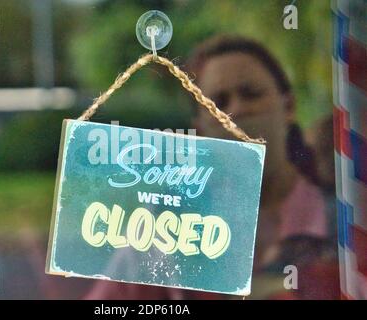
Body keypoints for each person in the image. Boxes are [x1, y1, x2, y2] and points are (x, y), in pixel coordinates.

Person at [83, 35, 339, 300]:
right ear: (201, 127)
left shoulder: (344, 221)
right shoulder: (167, 224)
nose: (236, 111)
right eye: (217, 103)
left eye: (251, 94)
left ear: (288, 106)